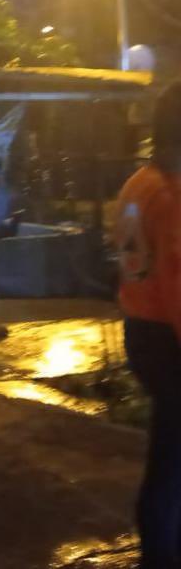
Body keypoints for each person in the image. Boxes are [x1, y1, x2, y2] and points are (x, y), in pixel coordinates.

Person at [115, 83, 181, 569]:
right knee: (172, 463)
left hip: (140, 329)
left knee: (168, 451)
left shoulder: (137, 184)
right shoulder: (172, 194)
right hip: (169, 338)